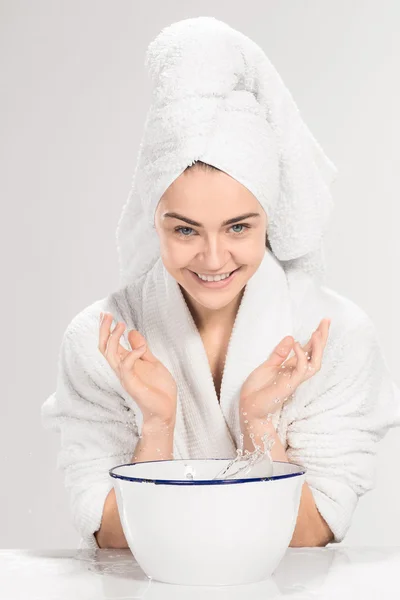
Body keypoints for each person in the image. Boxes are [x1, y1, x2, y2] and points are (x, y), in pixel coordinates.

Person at [41, 17, 400, 551]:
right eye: (185, 229)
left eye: (239, 227)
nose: (213, 258)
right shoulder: (101, 339)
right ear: (151, 218)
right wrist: (157, 425)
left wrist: (256, 423)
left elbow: (309, 535)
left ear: (269, 218)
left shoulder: (336, 335)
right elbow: (113, 537)